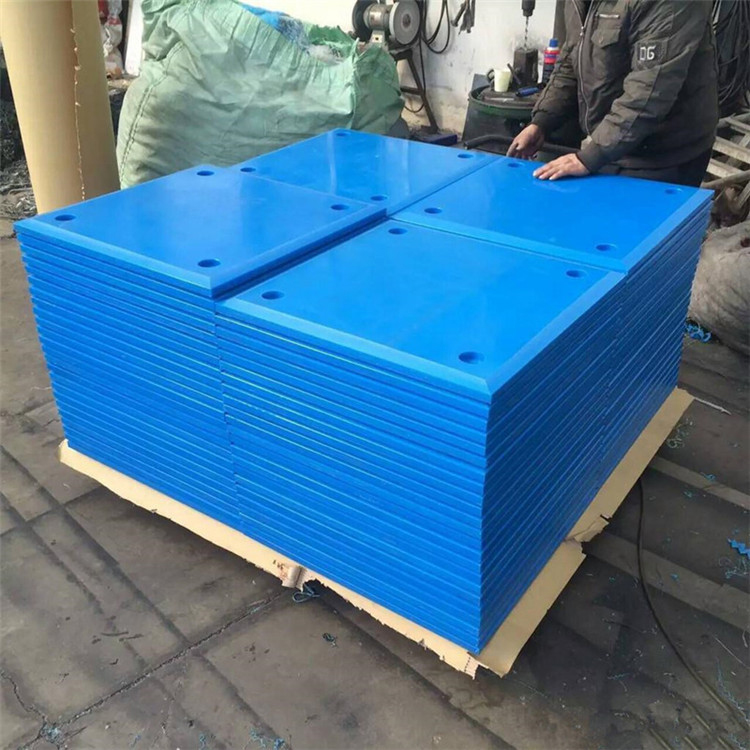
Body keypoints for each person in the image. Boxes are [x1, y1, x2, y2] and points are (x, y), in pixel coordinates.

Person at [508, 0, 719, 186]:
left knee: (629, 219)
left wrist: (590, 156)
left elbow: (648, 93)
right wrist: (542, 121)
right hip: (613, 143)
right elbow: (571, 60)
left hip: (664, 155)